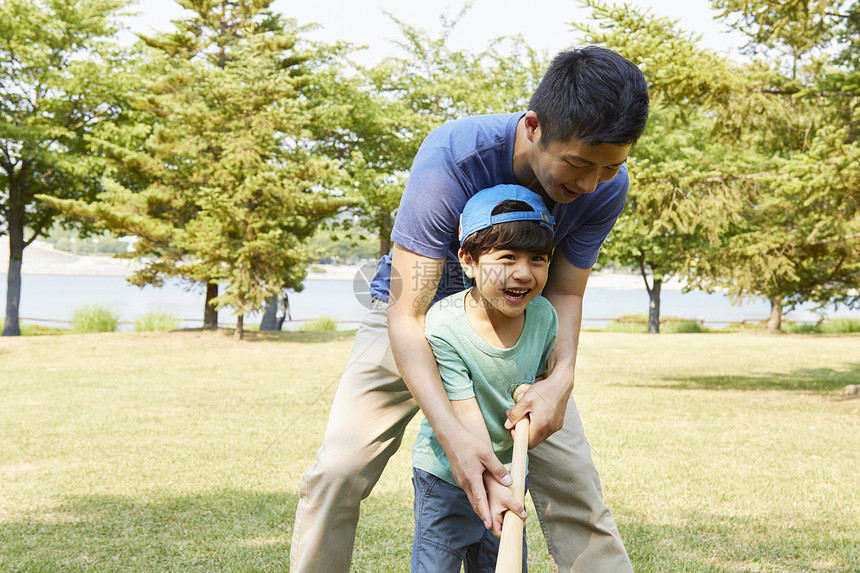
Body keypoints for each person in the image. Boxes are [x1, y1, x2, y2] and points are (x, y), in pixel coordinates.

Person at [291, 45, 649, 573]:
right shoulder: (454, 158)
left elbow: (567, 292)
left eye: (610, 167)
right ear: (532, 126)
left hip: (517, 330)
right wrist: (455, 434)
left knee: (576, 489)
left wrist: (561, 379)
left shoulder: (605, 185)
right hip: (416, 318)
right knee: (339, 471)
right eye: (577, 164)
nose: (590, 184)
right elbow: (408, 315)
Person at [411, 184, 558, 572]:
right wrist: (494, 481)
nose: (524, 273)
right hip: (447, 475)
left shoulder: (543, 317)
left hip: (510, 474)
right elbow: (464, 411)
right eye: (507, 257)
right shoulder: (444, 325)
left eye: (538, 258)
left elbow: (541, 382)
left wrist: (506, 481)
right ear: (469, 261)